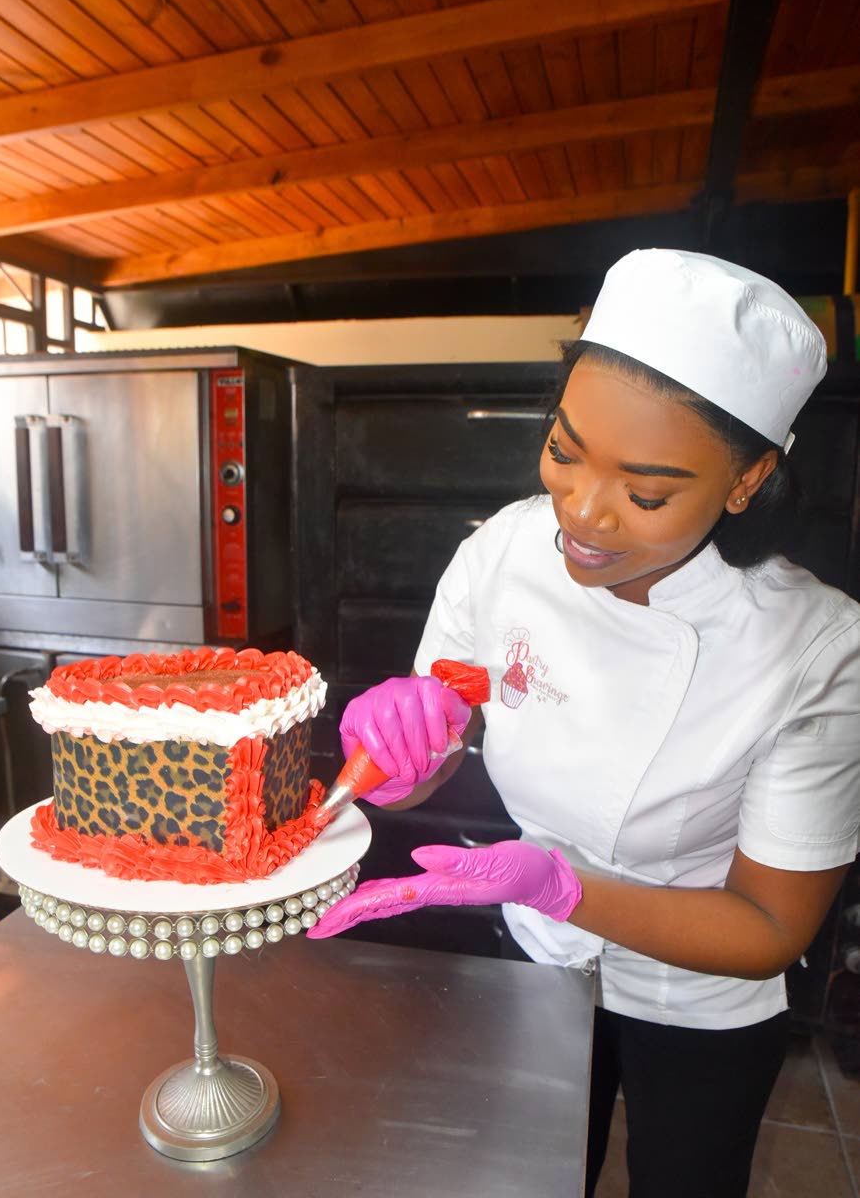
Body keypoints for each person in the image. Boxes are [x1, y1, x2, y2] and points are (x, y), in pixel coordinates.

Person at [306, 249, 860, 1197]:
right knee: (524, 1175)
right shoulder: (504, 552)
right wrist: (395, 752)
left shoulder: (816, 647)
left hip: (703, 989)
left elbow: (771, 924)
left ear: (746, 480)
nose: (583, 515)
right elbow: (432, 756)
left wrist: (563, 885)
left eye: (646, 494)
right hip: (538, 953)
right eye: (565, 452)